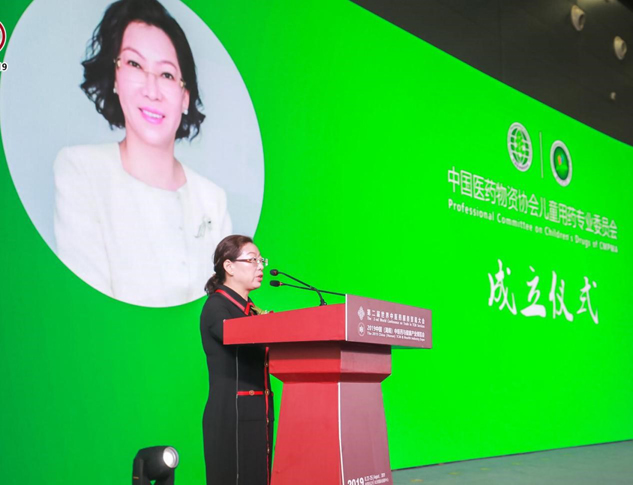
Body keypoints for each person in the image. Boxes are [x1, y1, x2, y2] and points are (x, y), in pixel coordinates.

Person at [53, 0, 231, 307]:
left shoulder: (212, 199)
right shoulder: (81, 171)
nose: (151, 90)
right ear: (115, 78)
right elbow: (88, 306)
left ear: (185, 96)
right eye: (135, 65)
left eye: (167, 74)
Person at [200, 235, 273, 485]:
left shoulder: (250, 310)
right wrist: (273, 328)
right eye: (252, 260)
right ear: (229, 266)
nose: (260, 266)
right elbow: (240, 337)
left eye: (261, 260)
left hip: (259, 414)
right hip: (231, 416)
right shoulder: (216, 307)